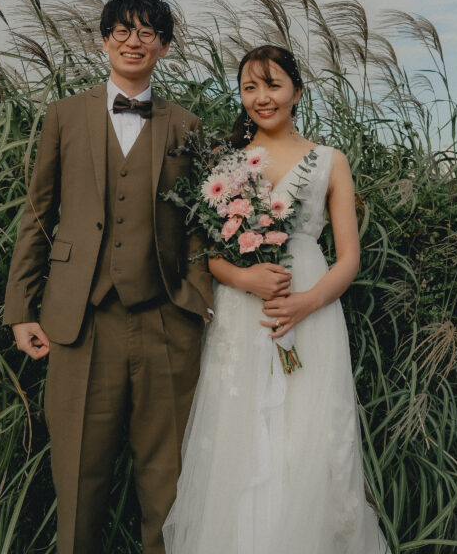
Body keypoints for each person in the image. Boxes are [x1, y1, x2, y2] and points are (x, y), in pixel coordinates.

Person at [4, 0, 213, 554]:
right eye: (122, 30)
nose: (133, 41)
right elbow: (38, 215)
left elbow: (201, 222)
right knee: (78, 479)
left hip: (166, 320)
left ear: (164, 47)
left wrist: (197, 297)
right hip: (80, 322)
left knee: (168, 483)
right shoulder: (63, 116)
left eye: (147, 32)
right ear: (103, 41)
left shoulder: (187, 125)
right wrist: (21, 309)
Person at [163, 45, 388, 554]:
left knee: (310, 436)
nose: (262, 97)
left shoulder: (331, 160)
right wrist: (245, 280)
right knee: (239, 435)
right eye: (250, 87)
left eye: (272, 85)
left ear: (297, 92)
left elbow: (349, 257)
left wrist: (306, 302)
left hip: (311, 308)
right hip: (243, 313)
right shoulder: (226, 164)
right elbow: (205, 256)